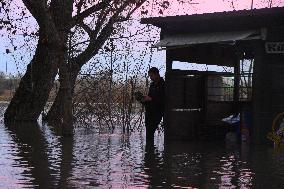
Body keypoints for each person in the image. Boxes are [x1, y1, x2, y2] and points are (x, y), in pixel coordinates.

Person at [143, 67, 165, 142]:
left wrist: (151, 99)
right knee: (148, 133)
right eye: (149, 76)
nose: (150, 78)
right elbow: (150, 96)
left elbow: (164, 100)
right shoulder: (152, 85)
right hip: (149, 111)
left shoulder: (163, 84)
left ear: (157, 74)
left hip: (157, 112)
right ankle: (149, 150)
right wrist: (144, 99)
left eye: (151, 76)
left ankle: (150, 151)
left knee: (150, 131)